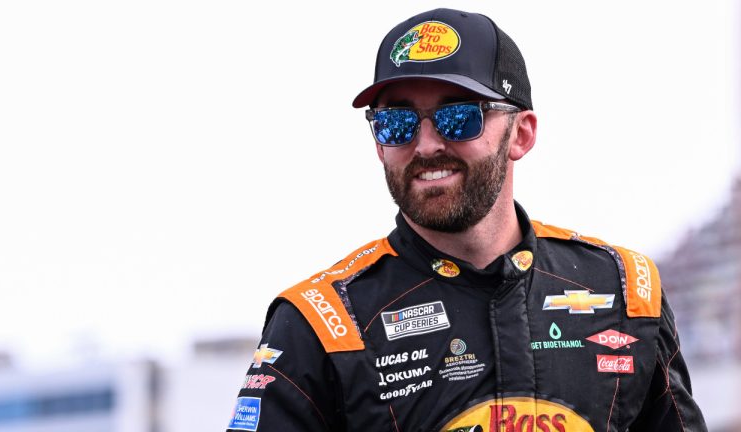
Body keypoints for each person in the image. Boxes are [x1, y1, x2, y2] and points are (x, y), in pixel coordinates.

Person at [226, 8, 706, 432]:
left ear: (521, 134)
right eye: (398, 122)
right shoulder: (320, 322)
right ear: (378, 142)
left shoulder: (627, 291)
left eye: (458, 117)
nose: (427, 143)